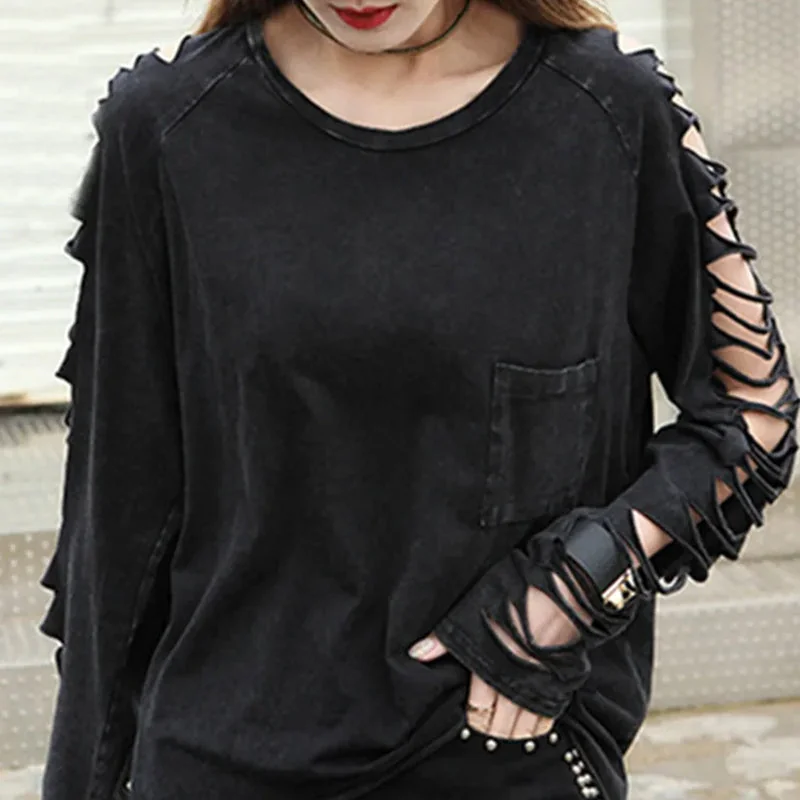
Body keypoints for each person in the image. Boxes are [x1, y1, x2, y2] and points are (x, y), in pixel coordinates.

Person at [38, 0, 798, 797]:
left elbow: (752, 416)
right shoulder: (167, 126)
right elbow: (116, 520)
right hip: (222, 758)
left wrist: (572, 588)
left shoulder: (609, 113)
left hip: (503, 749)